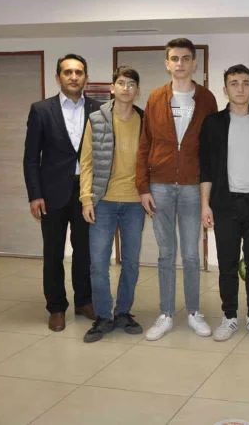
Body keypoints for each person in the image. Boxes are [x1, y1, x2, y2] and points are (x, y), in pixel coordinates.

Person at [136, 38, 218, 341]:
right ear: (167, 63)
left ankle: (194, 312)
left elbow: (212, 147)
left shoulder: (207, 99)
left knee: (192, 254)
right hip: (159, 185)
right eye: (174, 58)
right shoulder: (156, 97)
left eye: (185, 58)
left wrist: (211, 190)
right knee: (166, 253)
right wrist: (143, 187)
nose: (180, 63)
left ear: (194, 63)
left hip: (192, 186)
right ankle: (166, 313)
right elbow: (144, 143)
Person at [23, 53, 101, 331]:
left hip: (86, 194)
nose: (73, 77)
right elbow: (31, 158)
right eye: (68, 72)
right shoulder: (41, 110)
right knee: (53, 253)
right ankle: (56, 307)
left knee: (85, 252)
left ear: (86, 77)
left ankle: (84, 301)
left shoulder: (99, 109)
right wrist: (35, 194)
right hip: (52, 194)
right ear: (58, 77)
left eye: (79, 72)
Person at [200, 64, 249, 342]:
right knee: (228, 263)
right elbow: (206, 168)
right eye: (234, 83)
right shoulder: (213, 123)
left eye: (245, 83)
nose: (240, 88)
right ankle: (229, 316)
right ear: (225, 89)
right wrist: (205, 204)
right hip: (225, 202)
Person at [79, 66, 145, 343]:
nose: (126, 88)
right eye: (121, 83)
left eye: (131, 84)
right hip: (103, 202)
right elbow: (86, 162)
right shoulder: (96, 119)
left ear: (137, 90)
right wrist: (86, 198)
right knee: (98, 263)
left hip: (134, 203)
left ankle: (123, 312)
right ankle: (103, 316)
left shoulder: (145, 120)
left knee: (131, 262)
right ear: (112, 87)